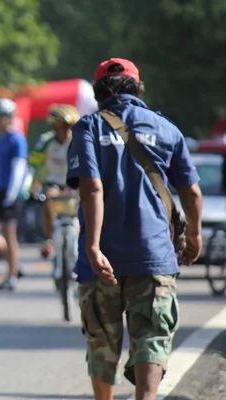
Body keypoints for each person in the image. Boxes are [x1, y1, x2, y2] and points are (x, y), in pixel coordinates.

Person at [66, 58, 202, 400]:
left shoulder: (89, 127)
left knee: (102, 341)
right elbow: (191, 191)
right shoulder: (166, 128)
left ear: (98, 93)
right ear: (138, 88)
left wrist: (93, 248)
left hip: (102, 262)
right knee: (152, 338)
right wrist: (194, 235)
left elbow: (92, 187)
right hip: (154, 254)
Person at [0, 98, 28, 291]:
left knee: (10, 234)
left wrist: (11, 195)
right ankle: (14, 264)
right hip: (1, 190)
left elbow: (19, 168)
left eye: (6, 116)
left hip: (13, 191)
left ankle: (11, 276)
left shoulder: (17, 138)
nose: (2, 120)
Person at [29, 104, 81, 259]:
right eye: (61, 126)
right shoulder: (46, 141)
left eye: (69, 127)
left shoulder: (80, 142)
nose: (65, 131)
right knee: (49, 199)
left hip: (74, 183)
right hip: (54, 182)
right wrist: (32, 188)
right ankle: (48, 240)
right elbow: (34, 165)